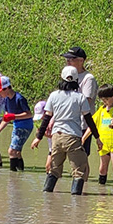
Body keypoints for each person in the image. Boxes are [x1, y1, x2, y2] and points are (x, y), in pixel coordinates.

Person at [31, 66, 102, 195]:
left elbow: (46, 118)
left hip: (56, 137)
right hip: (73, 136)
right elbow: (89, 119)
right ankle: (77, 202)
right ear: (76, 80)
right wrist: (97, 137)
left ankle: (47, 195)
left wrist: (38, 137)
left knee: (54, 169)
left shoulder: (54, 96)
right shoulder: (80, 97)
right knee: (79, 170)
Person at [86, 85, 113, 187]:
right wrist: (84, 138)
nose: (104, 102)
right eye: (102, 100)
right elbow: (92, 125)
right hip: (103, 143)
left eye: (106, 99)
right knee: (102, 168)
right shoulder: (101, 110)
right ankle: (102, 191)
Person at [0, 77, 34, 172]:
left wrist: (14, 116)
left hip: (25, 126)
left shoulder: (19, 99)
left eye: (0, 91)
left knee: (11, 151)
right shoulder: (7, 100)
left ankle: (12, 175)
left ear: (6, 88)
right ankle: (20, 173)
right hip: (17, 126)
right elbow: (7, 117)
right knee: (17, 152)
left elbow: (29, 114)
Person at [62, 46, 97, 150]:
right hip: (67, 123)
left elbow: (86, 101)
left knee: (81, 156)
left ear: (81, 60)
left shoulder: (88, 78)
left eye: (71, 59)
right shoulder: (66, 76)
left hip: (82, 125)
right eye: (67, 59)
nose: (68, 62)